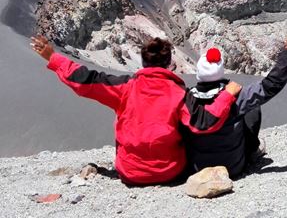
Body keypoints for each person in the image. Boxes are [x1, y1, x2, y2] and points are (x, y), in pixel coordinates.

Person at [30, 35, 242, 186]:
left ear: (143, 62)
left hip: (130, 172)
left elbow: (85, 80)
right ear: (169, 64)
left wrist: (54, 58)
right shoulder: (178, 93)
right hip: (170, 171)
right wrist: (228, 94)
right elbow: (204, 122)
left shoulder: (124, 87)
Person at [181, 28, 287, 177]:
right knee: (252, 108)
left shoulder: (186, 99)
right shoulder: (236, 97)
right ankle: (253, 151)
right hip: (232, 167)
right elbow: (270, 85)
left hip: (196, 168)